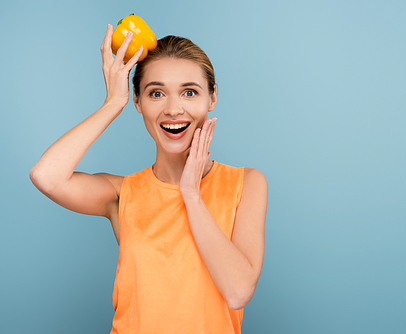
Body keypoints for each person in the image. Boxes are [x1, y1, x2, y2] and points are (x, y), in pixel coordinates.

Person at [30, 24, 268, 334]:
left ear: (212, 98)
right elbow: (45, 175)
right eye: (156, 93)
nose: (173, 109)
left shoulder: (246, 183)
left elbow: (237, 292)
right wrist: (112, 103)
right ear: (138, 102)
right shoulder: (122, 193)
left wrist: (191, 195)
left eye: (190, 92)